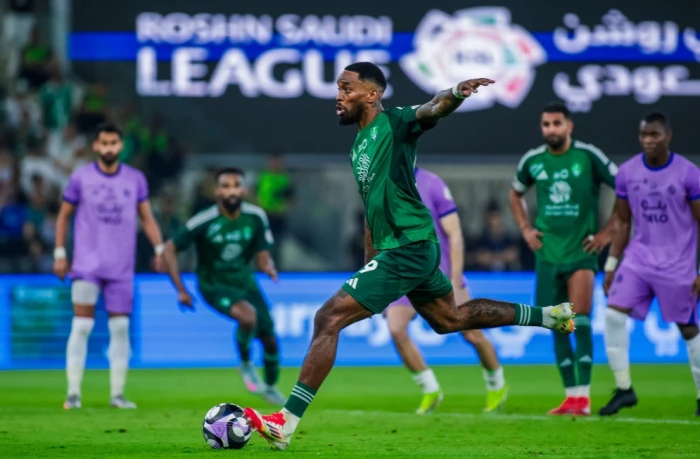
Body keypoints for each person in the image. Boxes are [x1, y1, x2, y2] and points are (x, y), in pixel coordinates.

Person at [243, 62, 575, 450]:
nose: (339, 96)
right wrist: (370, 263)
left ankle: (285, 422)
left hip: (409, 246)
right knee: (450, 319)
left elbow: (432, 108)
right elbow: (372, 214)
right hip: (404, 250)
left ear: (372, 94)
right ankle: (548, 316)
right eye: (338, 88)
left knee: (327, 318)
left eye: (347, 88)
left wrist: (455, 93)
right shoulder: (359, 146)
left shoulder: (395, 123)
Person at [508, 103, 618, 416]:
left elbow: (624, 188)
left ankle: (584, 397)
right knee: (556, 323)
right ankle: (570, 396)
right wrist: (525, 229)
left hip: (581, 251)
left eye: (557, 123)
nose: (551, 129)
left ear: (569, 126)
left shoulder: (588, 156)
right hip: (547, 254)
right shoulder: (533, 160)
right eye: (546, 124)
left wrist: (608, 232)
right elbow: (514, 194)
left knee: (579, 320)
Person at [54, 123, 165, 409]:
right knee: (82, 325)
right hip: (86, 266)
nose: (108, 148)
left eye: (113, 143)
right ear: (96, 145)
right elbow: (63, 216)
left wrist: (159, 248)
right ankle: (73, 394)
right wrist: (60, 252)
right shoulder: (80, 178)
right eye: (104, 143)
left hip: (121, 268)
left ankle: (117, 394)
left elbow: (147, 217)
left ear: (121, 145)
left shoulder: (135, 179)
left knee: (120, 328)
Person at [600, 111, 700, 417]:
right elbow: (622, 221)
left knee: (688, 328)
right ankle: (624, 389)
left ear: (668, 136)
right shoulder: (627, 172)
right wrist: (611, 264)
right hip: (639, 260)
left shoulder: (689, 174)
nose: (648, 140)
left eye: (654, 134)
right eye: (644, 135)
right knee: (613, 315)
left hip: (678, 263)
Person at [384, 167, 508, 414]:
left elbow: (455, 234)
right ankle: (430, 390)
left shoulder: (431, 184)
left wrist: (455, 279)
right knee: (396, 328)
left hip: (439, 273)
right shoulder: (384, 186)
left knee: (471, 333)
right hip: (405, 273)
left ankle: (497, 385)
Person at [161, 167, 286, 405]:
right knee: (247, 317)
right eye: (226, 186)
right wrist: (181, 289)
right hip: (214, 284)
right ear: (217, 191)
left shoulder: (256, 216)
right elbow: (169, 249)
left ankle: (270, 387)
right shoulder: (204, 220)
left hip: (245, 282)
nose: (231, 191)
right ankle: (246, 364)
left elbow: (262, 255)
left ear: (244, 190)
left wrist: (268, 266)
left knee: (270, 339)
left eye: (236, 186)